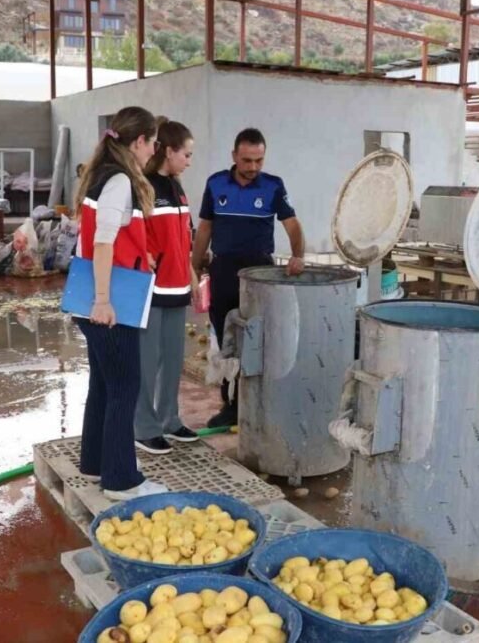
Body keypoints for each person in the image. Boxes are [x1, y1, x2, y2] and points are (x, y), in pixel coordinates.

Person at [71, 106, 167, 500]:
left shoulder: (102, 175)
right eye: (153, 142)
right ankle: (121, 480)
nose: (154, 150)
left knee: (104, 384)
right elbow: (103, 242)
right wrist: (104, 301)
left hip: (92, 297)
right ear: (140, 141)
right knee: (125, 385)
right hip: (109, 302)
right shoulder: (120, 182)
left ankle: (96, 463)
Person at [192, 128, 306, 429]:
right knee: (226, 339)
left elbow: (293, 226)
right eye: (247, 160)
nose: (253, 167)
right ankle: (230, 405)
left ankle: (257, 403)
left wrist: (298, 255)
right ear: (234, 157)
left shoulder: (273, 186)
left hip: (261, 274)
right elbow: (205, 228)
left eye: (259, 160)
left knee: (258, 339)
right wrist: (194, 267)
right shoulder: (216, 184)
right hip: (225, 271)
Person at [134, 117, 201, 455]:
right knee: (148, 360)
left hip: (177, 288)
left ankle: (169, 419)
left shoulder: (177, 187)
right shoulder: (143, 187)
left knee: (173, 359)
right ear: (169, 151)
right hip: (150, 290)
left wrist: (192, 279)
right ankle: (143, 426)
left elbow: (182, 242)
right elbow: (134, 237)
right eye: (186, 154)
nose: (189, 161)